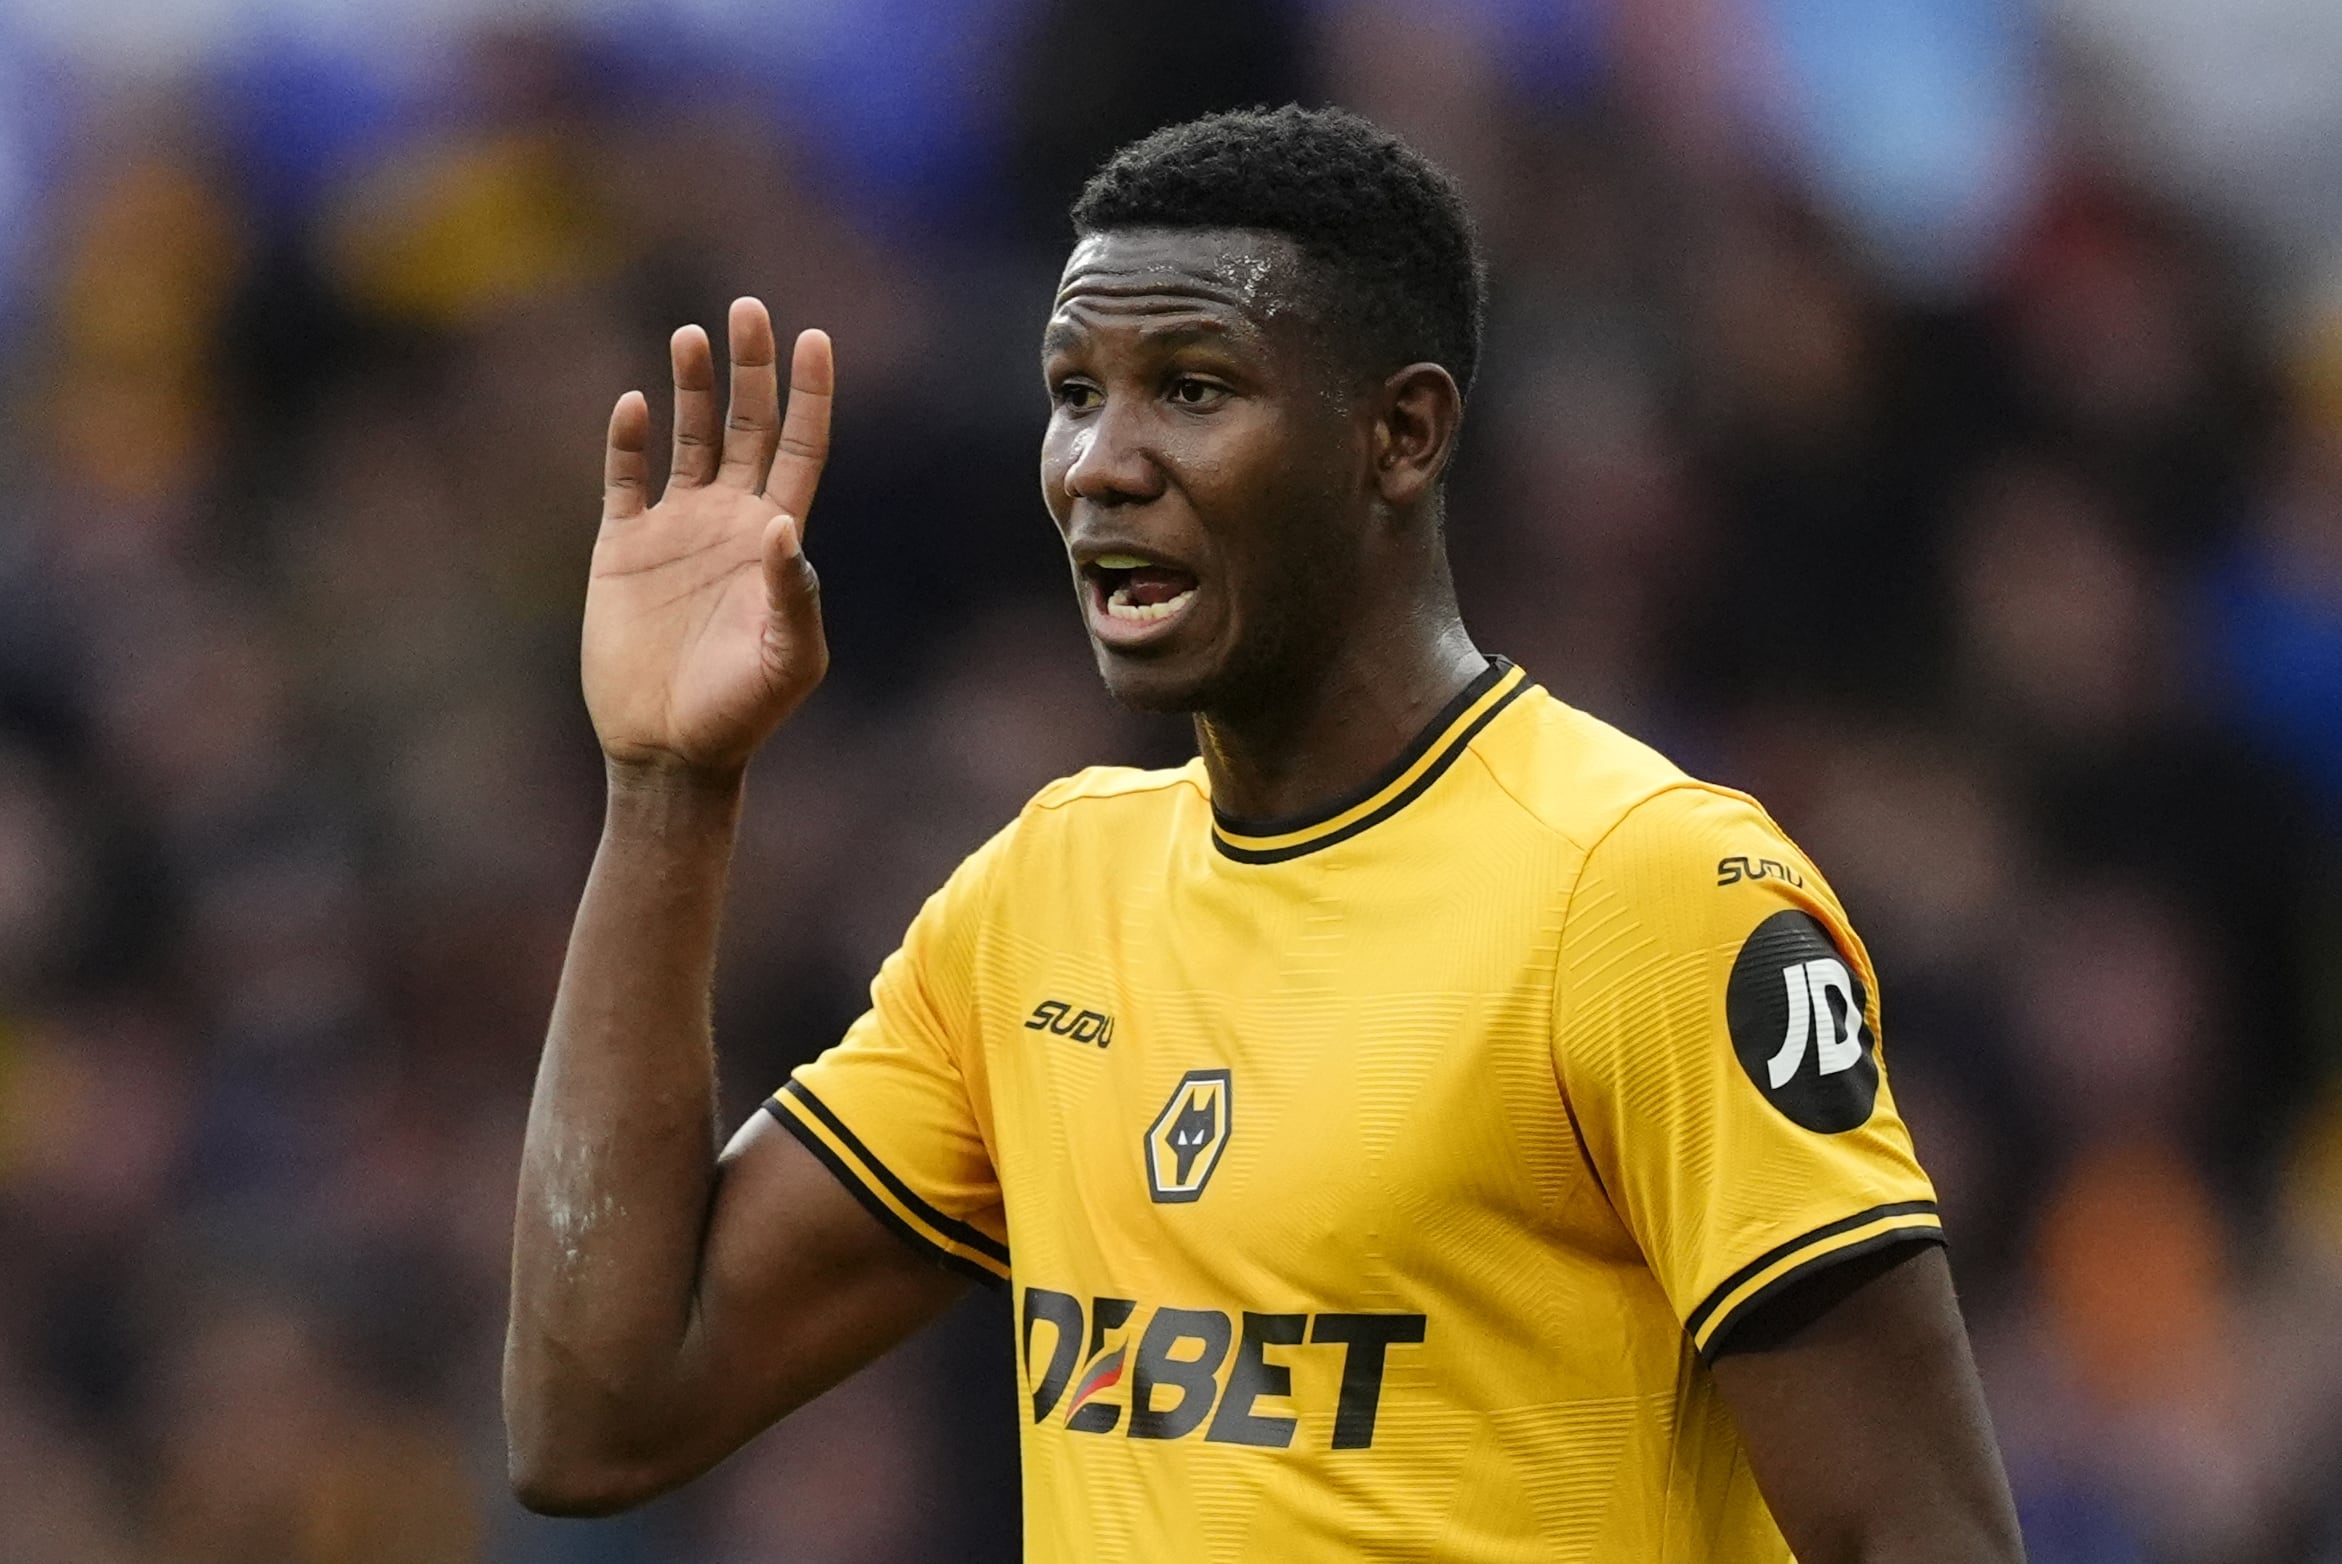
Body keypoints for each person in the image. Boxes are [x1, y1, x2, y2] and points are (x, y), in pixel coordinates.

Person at [505, 106, 2025, 1561]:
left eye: (1191, 386)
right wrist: (664, 791)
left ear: (1400, 434)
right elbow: (599, 1419)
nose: (1100, 460)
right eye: (1074, 390)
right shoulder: (1042, 901)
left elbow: (1921, 1533)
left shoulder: (1639, 890)